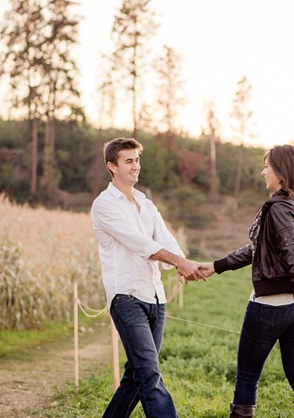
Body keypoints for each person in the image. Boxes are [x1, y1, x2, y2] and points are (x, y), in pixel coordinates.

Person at [199, 144, 294, 418]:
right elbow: (259, 249)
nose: (263, 172)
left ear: (281, 173)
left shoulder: (277, 208)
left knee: (247, 376)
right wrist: (217, 266)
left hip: (272, 306)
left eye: (267, 166)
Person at [90, 137, 204, 418]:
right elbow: (139, 242)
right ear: (111, 166)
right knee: (150, 373)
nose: (135, 166)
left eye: (137, 160)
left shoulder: (145, 203)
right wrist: (179, 262)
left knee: (136, 375)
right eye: (128, 161)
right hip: (126, 297)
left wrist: (182, 264)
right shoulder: (104, 205)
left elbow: (165, 238)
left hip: (155, 297)